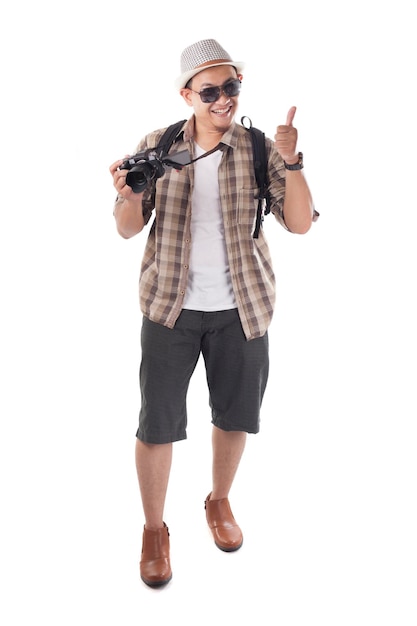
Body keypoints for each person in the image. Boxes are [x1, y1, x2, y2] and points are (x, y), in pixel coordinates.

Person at [109, 38, 317, 588]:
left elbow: (299, 223)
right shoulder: (158, 146)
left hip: (241, 310)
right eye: (211, 90)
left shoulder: (255, 148)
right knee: (157, 424)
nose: (224, 99)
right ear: (186, 95)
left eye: (232, 87)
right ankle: (155, 531)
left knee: (234, 415)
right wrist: (129, 197)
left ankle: (218, 501)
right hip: (169, 309)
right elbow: (128, 228)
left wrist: (292, 159)